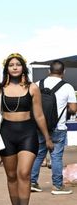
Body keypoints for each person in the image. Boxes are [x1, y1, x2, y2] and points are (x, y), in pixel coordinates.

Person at [0, 53, 52, 205]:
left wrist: (47, 137)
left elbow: (39, 115)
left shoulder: (32, 88)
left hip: (28, 134)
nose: (15, 67)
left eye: (18, 64)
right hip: (6, 135)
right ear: (6, 69)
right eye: (11, 65)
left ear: (23, 67)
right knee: (11, 176)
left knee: (23, 174)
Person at [30, 59, 77, 195]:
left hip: (40, 127)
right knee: (56, 157)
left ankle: (32, 182)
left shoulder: (38, 84)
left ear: (48, 71)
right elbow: (73, 109)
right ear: (64, 72)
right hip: (58, 127)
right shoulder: (67, 87)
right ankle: (57, 186)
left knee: (39, 154)